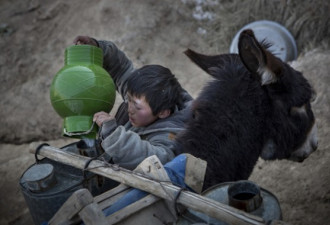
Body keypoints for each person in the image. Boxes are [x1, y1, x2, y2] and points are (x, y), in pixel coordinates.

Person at [73, 36, 193, 170]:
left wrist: (114, 135)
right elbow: (121, 69)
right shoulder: (143, 94)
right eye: (129, 99)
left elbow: (154, 158)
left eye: (137, 107)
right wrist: (98, 49)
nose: (130, 109)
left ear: (163, 113)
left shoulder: (172, 134)